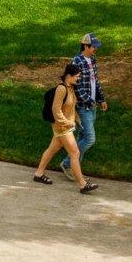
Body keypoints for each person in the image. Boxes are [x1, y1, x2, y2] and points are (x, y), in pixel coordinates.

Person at [33, 63, 99, 194]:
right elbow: (56, 110)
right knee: (75, 153)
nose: (78, 79)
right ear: (69, 76)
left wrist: (77, 120)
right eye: (77, 76)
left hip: (66, 125)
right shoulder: (61, 89)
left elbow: (71, 108)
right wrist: (67, 123)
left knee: (52, 149)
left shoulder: (70, 88)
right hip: (62, 126)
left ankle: (38, 174)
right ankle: (82, 184)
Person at [61, 33, 107, 175]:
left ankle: (75, 169)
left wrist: (101, 99)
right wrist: (90, 100)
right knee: (90, 139)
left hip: (91, 105)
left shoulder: (92, 60)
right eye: (93, 47)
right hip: (83, 106)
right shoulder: (77, 61)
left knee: (82, 137)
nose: (95, 49)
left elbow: (95, 81)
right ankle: (67, 164)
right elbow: (76, 86)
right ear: (85, 46)